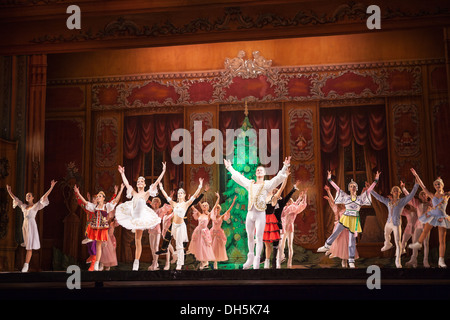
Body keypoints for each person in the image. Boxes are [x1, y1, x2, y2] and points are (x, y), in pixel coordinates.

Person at [223, 156, 291, 270]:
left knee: (259, 238)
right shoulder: (250, 184)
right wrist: (229, 167)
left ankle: (257, 259)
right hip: (250, 213)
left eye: (261, 170)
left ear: (264, 173)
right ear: (256, 173)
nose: (259, 171)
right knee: (250, 236)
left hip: (260, 214)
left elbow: (278, 179)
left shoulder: (267, 184)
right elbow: (239, 178)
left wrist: (285, 166)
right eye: (257, 170)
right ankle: (250, 257)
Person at [317, 170, 380, 268]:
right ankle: (327, 246)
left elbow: (369, 190)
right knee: (336, 232)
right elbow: (337, 189)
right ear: (349, 189)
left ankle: (351, 261)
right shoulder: (346, 197)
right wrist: (329, 179)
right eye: (351, 186)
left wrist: (376, 180)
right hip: (345, 218)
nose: (353, 187)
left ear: (357, 188)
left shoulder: (360, 198)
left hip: (353, 220)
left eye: (354, 186)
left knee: (351, 241)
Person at [115, 163, 166, 271]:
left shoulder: (146, 194)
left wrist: (163, 171)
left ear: (144, 184)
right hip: (133, 217)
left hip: (141, 218)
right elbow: (127, 184)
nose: (139, 183)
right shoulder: (134, 193)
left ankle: (136, 262)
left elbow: (156, 182)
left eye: (141, 181)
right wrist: (122, 174)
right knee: (137, 240)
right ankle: (136, 261)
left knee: (138, 240)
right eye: (138, 181)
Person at [7, 180, 57, 272]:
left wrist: (51, 187)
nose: (27, 196)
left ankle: (26, 265)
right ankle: (26, 265)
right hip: (25, 226)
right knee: (27, 245)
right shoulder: (24, 206)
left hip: (31, 225)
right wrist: (9, 191)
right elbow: (16, 199)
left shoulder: (36, 206)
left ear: (33, 197)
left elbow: (44, 197)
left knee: (29, 246)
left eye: (29, 195)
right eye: (26, 195)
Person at [370, 178, 419, 268]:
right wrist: (370, 190)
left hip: (396, 224)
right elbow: (378, 197)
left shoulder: (402, 201)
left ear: (399, 193)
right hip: (389, 223)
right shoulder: (388, 201)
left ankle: (398, 261)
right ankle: (387, 243)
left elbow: (411, 195)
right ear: (392, 192)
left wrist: (416, 185)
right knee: (386, 234)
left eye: (397, 190)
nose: (396, 191)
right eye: (394, 190)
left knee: (398, 242)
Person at [74, 184, 124, 271]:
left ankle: (97, 262)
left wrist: (120, 191)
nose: (98, 197)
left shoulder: (106, 206)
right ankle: (90, 239)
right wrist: (78, 193)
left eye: (99, 196)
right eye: (97, 196)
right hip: (95, 227)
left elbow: (115, 200)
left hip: (102, 228)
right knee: (96, 243)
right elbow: (85, 203)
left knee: (99, 245)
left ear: (103, 198)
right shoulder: (94, 207)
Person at [159, 178, 204, 270]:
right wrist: (161, 188)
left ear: (184, 195)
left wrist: (200, 185)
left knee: (179, 245)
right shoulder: (174, 204)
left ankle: (180, 263)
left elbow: (195, 196)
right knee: (175, 244)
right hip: (174, 226)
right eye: (178, 193)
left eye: (181, 193)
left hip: (180, 226)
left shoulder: (186, 204)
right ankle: (177, 257)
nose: (179, 194)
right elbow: (167, 197)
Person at [409, 169, 450, 268]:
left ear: (442, 185)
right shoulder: (432, 195)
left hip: (442, 217)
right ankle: (418, 244)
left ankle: (441, 260)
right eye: (435, 185)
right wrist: (416, 175)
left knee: (442, 240)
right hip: (433, 215)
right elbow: (423, 186)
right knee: (425, 231)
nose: (437, 186)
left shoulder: (446, 195)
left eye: (438, 184)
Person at [322, 184, 355, 268]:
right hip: (339, 226)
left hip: (346, 229)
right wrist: (329, 192)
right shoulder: (338, 209)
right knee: (336, 240)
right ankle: (332, 251)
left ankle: (344, 261)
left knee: (345, 244)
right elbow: (333, 202)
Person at [400, 181, 431, 268]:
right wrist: (403, 188)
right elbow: (409, 197)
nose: (424, 196)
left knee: (426, 244)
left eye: (425, 194)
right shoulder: (417, 204)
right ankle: (414, 259)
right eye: (422, 195)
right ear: (420, 197)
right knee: (415, 242)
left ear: (428, 196)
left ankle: (425, 261)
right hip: (418, 226)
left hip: (426, 227)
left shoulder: (431, 203)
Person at [188, 193, 219, 269]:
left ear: (208, 207)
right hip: (198, 231)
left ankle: (205, 261)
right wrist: (190, 199)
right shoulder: (199, 214)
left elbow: (215, 206)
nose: (204, 206)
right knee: (199, 247)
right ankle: (202, 262)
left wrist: (218, 197)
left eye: (206, 205)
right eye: (203, 205)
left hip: (205, 232)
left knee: (204, 246)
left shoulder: (208, 215)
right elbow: (192, 207)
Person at [279, 189, 307, 268]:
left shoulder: (294, 209)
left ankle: (289, 262)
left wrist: (303, 197)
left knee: (290, 245)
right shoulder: (284, 209)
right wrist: (299, 198)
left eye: (289, 202)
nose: (287, 203)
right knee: (282, 244)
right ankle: (282, 257)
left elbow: (301, 205)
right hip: (284, 227)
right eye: (287, 202)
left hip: (290, 227)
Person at [211, 195, 236, 269]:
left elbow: (229, 210)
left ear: (220, 209)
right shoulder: (212, 216)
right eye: (216, 208)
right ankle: (210, 262)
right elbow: (214, 208)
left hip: (218, 233)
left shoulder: (221, 216)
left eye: (218, 208)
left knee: (217, 248)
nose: (217, 209)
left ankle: (216, 262)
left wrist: (233, 201)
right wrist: (218, 198)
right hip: (212, 232)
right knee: (211, 247)